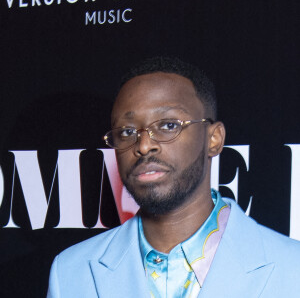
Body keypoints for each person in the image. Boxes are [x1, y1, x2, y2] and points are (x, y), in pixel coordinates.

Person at [47, 57, 300, 298]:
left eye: (168, 125)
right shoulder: (70, 272)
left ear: (214, 139)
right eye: (127, 131)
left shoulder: (292, 268)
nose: (144, 145)